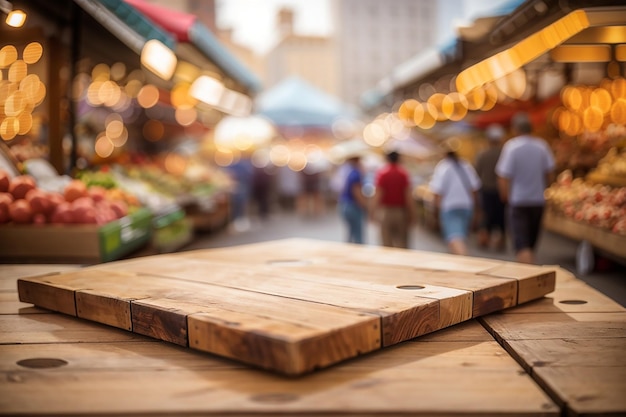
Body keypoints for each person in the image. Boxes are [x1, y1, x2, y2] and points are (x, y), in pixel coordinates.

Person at [496, 112, 555, 264]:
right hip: (537, 201)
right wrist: (544, 188)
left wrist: (506, 197)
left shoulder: (512, 147)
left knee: (522, 245)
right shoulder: (542, 146)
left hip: (518, 201)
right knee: (530, 243)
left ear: (515, 128)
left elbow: (503, 176)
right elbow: (550, 174)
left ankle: (530, 278)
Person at [429, 141, 481, 256]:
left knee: (455, 238)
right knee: (461, 237)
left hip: (450, 206)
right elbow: (474, 189)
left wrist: (435, 210)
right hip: (467, 206)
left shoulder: (443, 167)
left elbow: (437, 191)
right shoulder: (466, 165)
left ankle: (464, 263)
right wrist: (476, 208)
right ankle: (460, 260)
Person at [371, 151, 415, 248]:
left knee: (386, 244)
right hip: (401, 212)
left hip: (386, 212)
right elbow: (408, 195)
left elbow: (378, 194)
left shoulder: (382, 173)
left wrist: (372, 212)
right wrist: (412, 214)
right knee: (402, 244)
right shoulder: (403, 173)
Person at [475, 124, 507, 250]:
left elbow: (477, 173)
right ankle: (501, 239)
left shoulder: (483, 154)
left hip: (486, 189)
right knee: (501, 216)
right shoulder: (504, 154)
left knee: (487, 215)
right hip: (501, 190)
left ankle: (484, 238)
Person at [338, 154, 368, 244]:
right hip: (353, 206)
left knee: (350, 233)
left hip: (344, 204)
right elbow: (357, 192)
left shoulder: (349, 172)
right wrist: (365, 206)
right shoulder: (356, 173)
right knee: (358, 235)